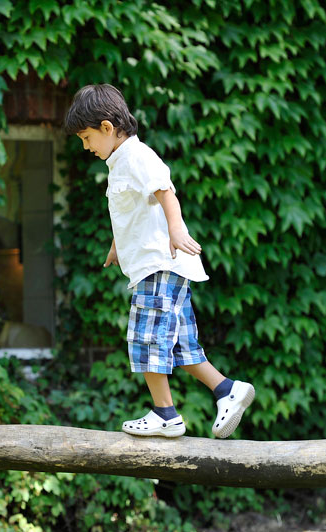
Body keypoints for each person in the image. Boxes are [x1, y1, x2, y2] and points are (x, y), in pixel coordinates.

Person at [63, 84, 255, 438]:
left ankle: (165, 414)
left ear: (107, 127)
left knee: (146, 338)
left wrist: (176, 228)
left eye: (87, 138)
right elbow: (132, 212)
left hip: (158, 265)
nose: (86, 146)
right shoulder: (118, 163)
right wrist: (118, 245)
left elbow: (164, 189)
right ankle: (227, 390)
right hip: (162, 266)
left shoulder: (136, 156)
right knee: (180, 345)